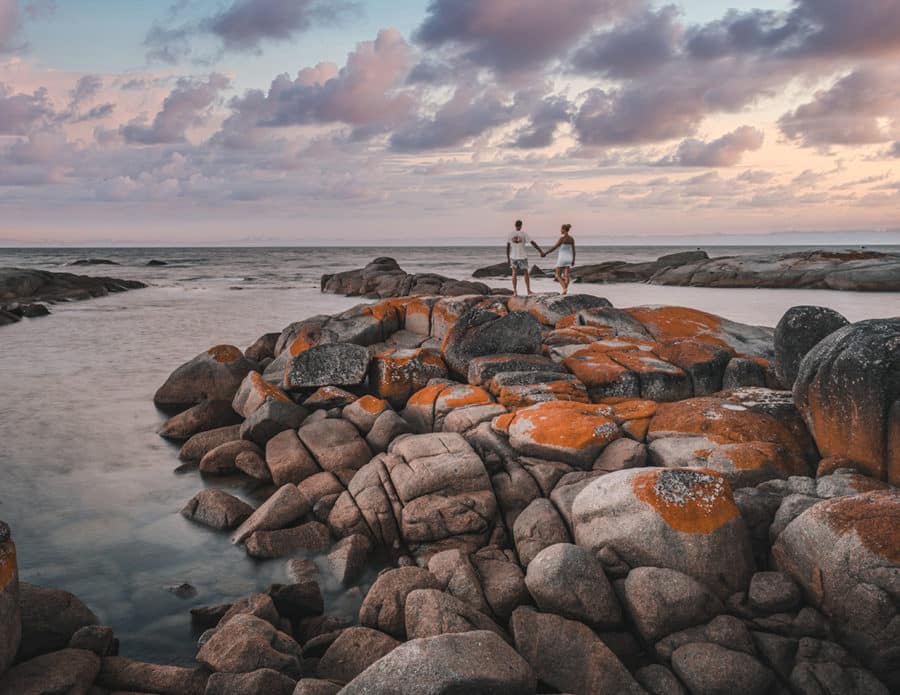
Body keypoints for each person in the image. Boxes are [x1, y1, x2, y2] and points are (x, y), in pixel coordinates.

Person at [506, 220, 542, 296]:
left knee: (514, 273)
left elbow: (508, 247)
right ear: (521, 225)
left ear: (515, 225)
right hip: (522, 256)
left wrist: (508, 258)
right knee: (526, 273)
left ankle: (515, 292)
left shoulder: (510, 234)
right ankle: (528, 291)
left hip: (513, 256)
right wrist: (540, 251)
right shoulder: (524, 234)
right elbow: (533, 243)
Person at [541, 224, 576, 295]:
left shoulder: (562, 238)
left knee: (558, 275)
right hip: (569, 257)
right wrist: (573, 260)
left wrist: (545, 253)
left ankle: (564, 288)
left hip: (562, 258)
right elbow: (574, 250)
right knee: (566, 275)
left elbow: (554, 247)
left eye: (561, 229)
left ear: (564, 229)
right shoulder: (571, 238)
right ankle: (565, 289)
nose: (560, 230)